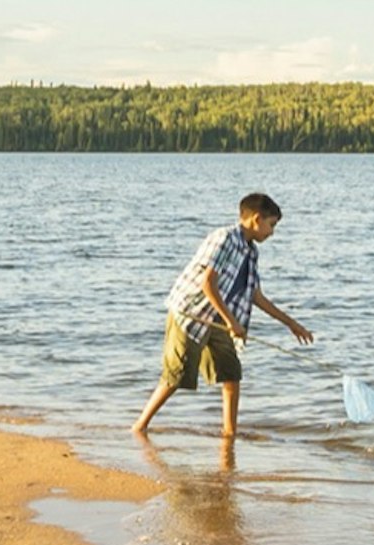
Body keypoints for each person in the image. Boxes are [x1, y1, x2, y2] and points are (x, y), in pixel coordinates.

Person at [130, 192, 312, 461]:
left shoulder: (251, 252)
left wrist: (291, 324)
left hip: (220, 319)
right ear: (256, 219)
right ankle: (140, 425)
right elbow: (207, 283)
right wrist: (231, 322)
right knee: (176, 375)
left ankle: (229, 433)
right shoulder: (224, 238)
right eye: (271, 225)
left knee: (231, 374)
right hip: (191, 314)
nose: (273, 232)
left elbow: (255, 295)